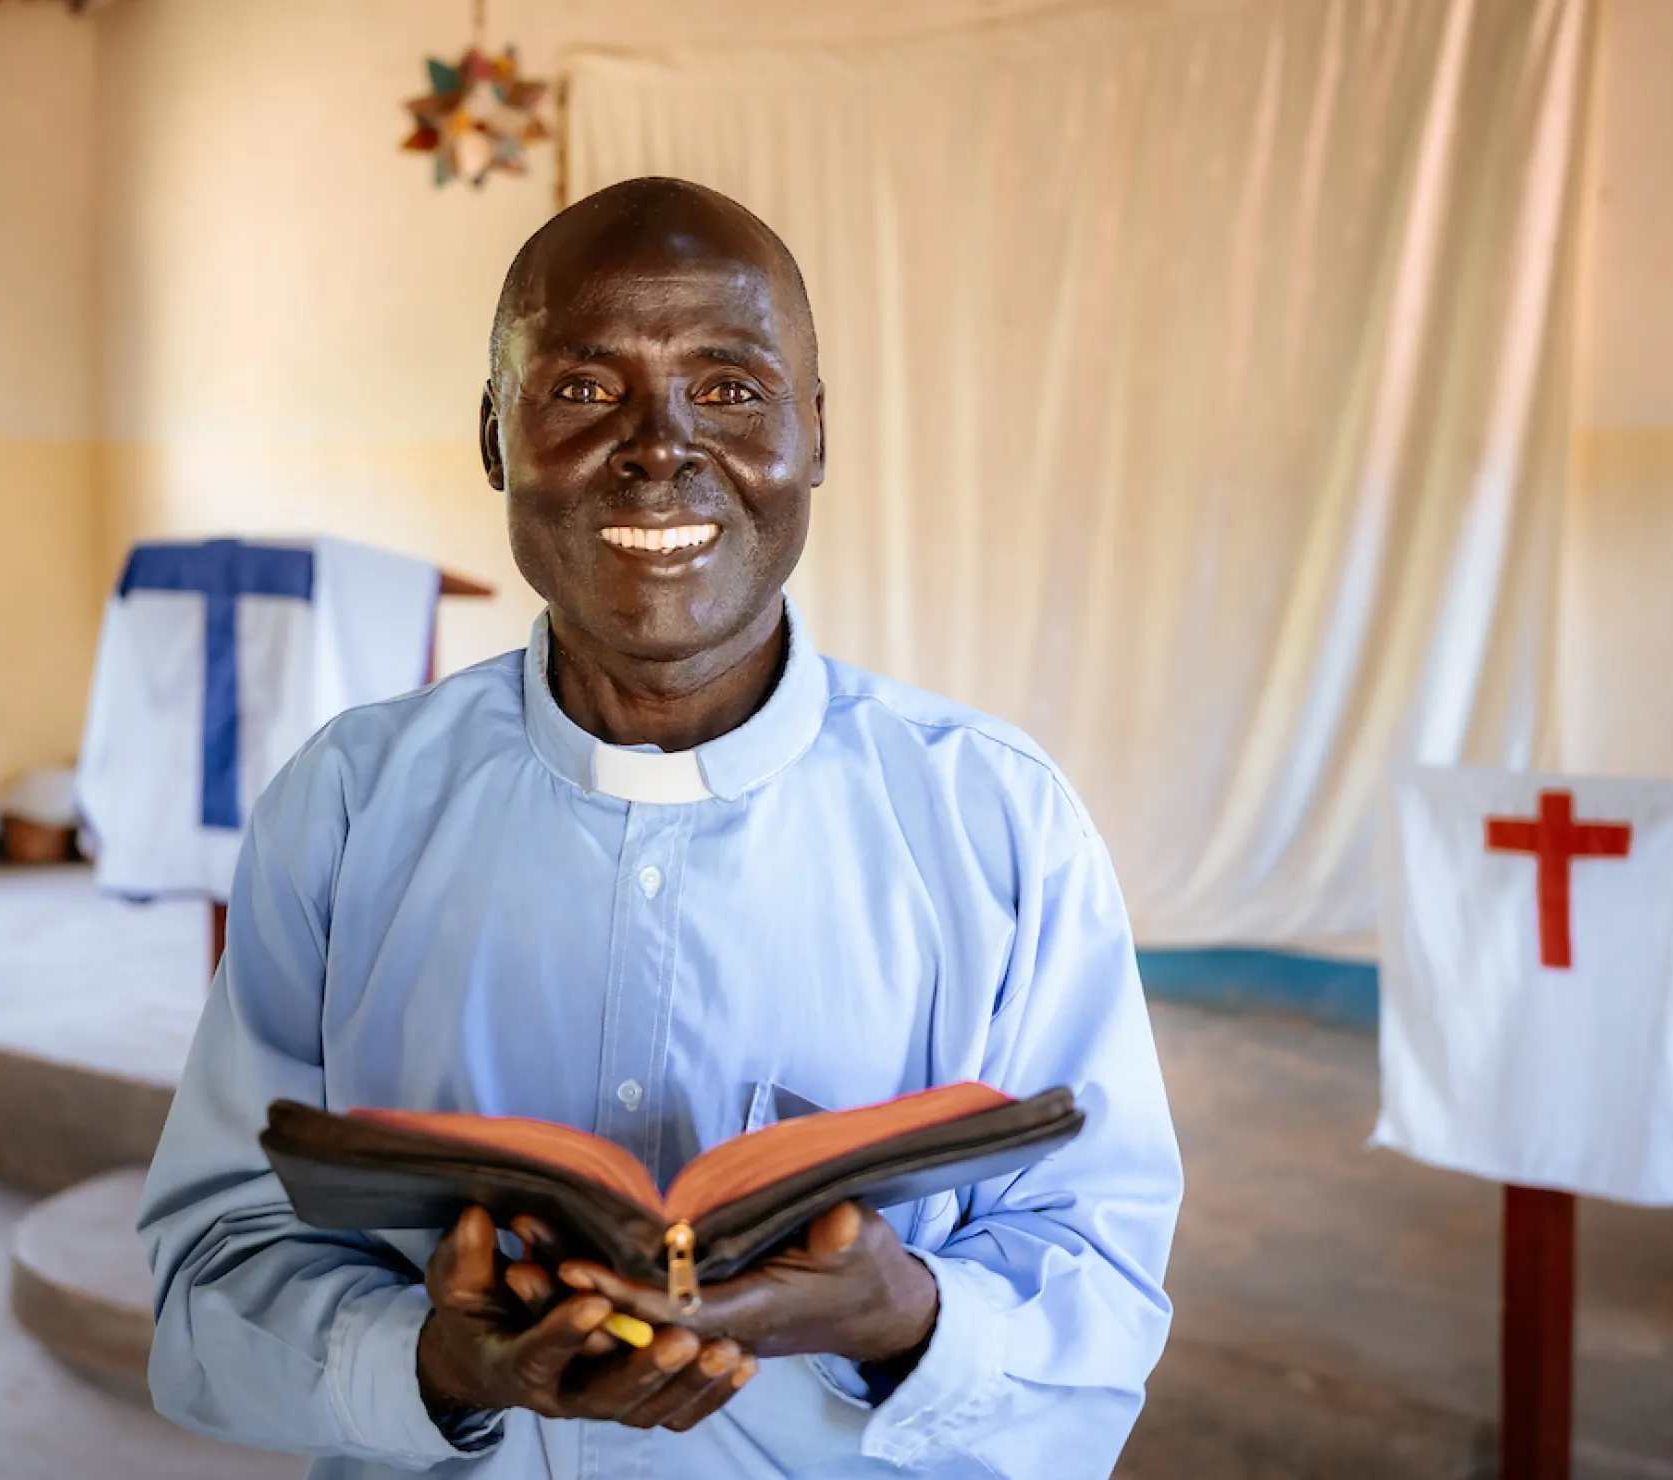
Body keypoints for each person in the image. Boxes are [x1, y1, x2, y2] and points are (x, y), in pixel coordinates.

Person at [138, 176, 1182, 1478]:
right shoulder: (348, 805)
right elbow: (210, 1261)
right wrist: (428, 1361)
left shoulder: (995, 819)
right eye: (583, 390)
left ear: (815, 431)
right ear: (492, 436)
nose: (661, 445)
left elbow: (1103, 1270)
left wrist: (907, 1317)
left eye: (731, 389)